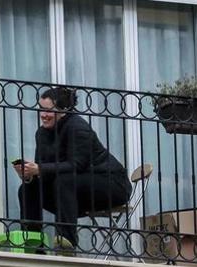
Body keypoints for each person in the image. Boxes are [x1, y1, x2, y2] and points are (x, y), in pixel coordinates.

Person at [14, 86, 131, 248]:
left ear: (63, 110)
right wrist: (29, 174)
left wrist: (40, 169)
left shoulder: (78, 127)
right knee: (28, 189)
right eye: (41, 109)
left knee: (64, 180)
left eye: (48, 110)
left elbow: (77, 164)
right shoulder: (41, 134)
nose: (43, 115)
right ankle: (33, 243)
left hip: (111, 183)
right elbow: (44, 170)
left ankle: (66, 241)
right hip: (72, 191)